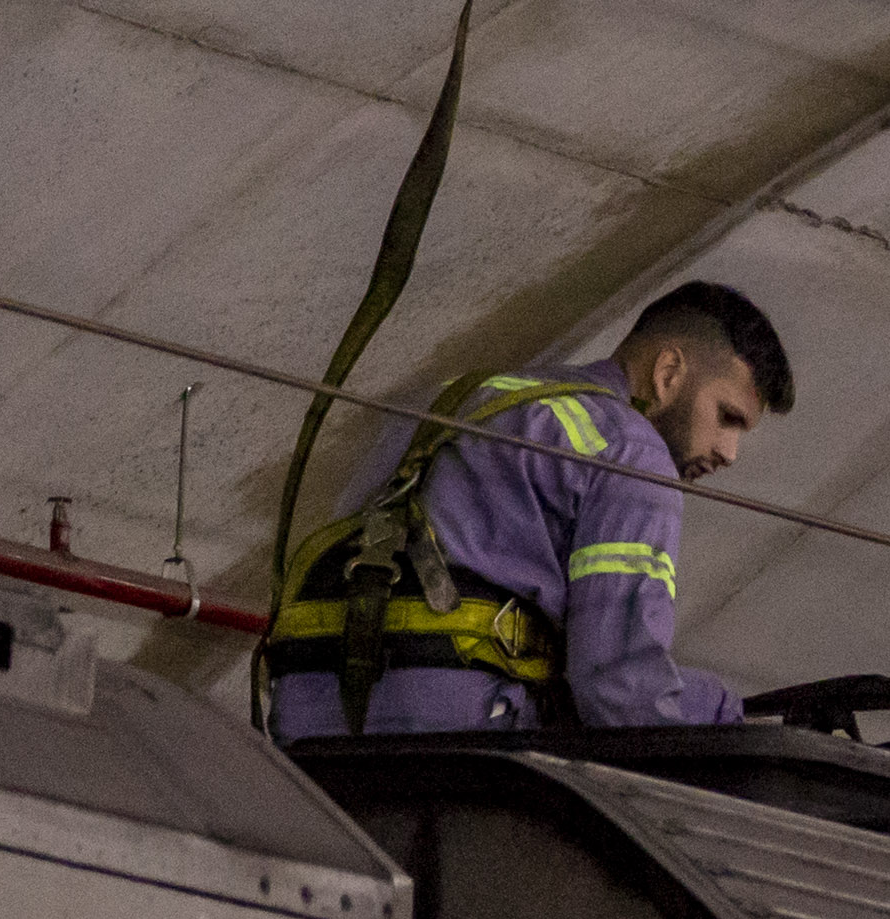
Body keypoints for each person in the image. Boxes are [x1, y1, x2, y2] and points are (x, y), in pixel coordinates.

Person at [261, 281, 792, 737]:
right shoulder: (630, 450)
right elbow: (618, 687)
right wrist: (726, 719)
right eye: (727, 417)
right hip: (456, 741)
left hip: (309, 725)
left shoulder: (452, 397)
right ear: (669, 372)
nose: (729, 452)